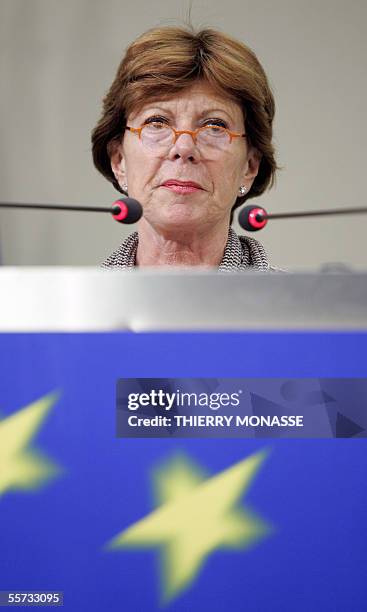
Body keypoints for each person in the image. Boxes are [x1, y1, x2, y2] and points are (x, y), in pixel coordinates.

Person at [92, 25, 278, 270]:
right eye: (156, 122)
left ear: (250, 166)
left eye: (214, 126)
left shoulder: (304, 307)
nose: (184, 148)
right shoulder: (66, 307)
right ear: (118, 160)